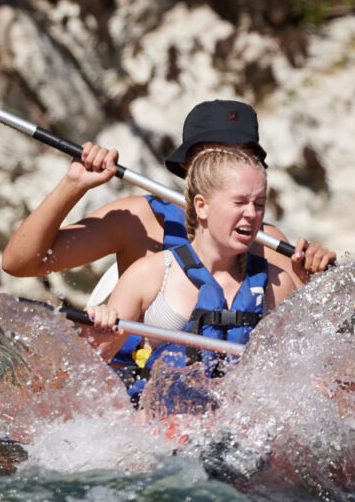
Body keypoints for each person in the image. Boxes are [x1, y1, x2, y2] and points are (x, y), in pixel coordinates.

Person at [0, 99, 335, 283]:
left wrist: (315, 282)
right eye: (214, 158)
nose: (228, 172)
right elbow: (19, 263)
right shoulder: (137, 221)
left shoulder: (271, 246)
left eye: (240, 158)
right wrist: (73, 185)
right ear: (189, 167)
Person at [81, 147, 300, 405]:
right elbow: (84, 373)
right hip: (161, 432)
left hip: (241, 433)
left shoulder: (276, 284)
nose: (252, 214)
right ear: (202, 206)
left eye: (259, 204)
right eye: (239, 202)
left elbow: (297, 377)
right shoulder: (149, 274)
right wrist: (97, 334)